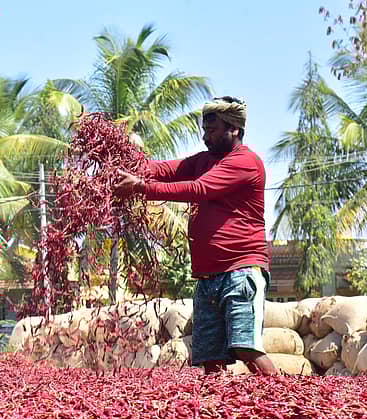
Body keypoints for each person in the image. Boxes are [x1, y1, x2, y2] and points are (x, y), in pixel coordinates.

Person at [114, 96, 277, 375]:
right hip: (207, 276)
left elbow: (199, 189)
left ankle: (286, 394)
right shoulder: (204, 160)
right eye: (204, 130)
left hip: (241, 270)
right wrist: (125, 163)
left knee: (245, 347)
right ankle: (216, 403)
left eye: (211, 131)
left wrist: (141, 187)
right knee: (210, 358)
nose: (205, 137)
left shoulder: (245, 162)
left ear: (234, 129)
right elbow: (164, 170)